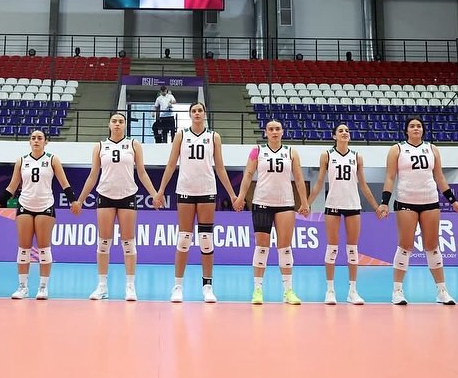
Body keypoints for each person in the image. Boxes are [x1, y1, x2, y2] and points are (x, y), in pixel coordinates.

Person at [72, 113, 162, 301]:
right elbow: (93, 175)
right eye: (114, 121)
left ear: (125, 125)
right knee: (103, 242)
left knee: (128, 242)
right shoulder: (100, 146)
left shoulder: (133, 145)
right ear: (109, 124)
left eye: (121, 121)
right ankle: (102, 286)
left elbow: (142, 173)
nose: (117, 124)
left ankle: (130, 286)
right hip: (105, 195)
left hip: (127, 194)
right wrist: (80, 200)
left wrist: (155, 194)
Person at [156, 102, 238, 303]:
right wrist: (160, 190)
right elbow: (171, 164)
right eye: (194, 111)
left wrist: (232, 194)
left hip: (207, 190)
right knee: (184, 239)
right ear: (190, 114)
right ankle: (178, 286)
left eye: (200, 110)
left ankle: (207, 287)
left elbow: (220, 168)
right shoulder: (181, 135)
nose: (197, 113)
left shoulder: (214, 136)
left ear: (205, 113)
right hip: (185, 189)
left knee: (206, 239)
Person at [381, 117, 458, 305]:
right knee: (405, 246)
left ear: (423, 130)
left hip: (430, 200)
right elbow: (390, 177)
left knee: (432, 246)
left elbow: (440, 177)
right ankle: (397, 291)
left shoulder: (432, 149)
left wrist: (453, 202)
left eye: (419, 126)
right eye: (412, 126)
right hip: (406, 201)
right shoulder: (397, 149)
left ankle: (442, 291)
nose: (416, 128)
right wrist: (384, 202)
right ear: (406, 130)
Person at [306, 123, 387, 305]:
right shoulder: (327, 155)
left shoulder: (356, 156)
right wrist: (307, 203)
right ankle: (330, 290)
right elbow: (319, 182)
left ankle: (352, 291)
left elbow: (363, 185)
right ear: (334, 136)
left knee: (352, 249)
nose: (345, 133)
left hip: (352, 204)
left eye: (347, 131)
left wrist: (376, 207)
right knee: (332, 248)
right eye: (341, 131)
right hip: (333, 204)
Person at [0, 130, 74, 300]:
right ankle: (23, 287)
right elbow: (12, 186)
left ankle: (43, 287)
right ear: (29, 141)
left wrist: (74, 201)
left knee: (44, 248)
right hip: (25, 205)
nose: (36, 140)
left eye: (40, 138)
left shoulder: (52, 159)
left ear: (46, 142)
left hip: (45, 205)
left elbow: (64, 183)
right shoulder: (21, 161)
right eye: (33, 138)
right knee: (24, 248)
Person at [234, 120, 310, 305]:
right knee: (262, 247)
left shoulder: (291, 152)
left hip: (285, 203)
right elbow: (248, 175)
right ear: (265, 132)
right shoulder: (257, 151)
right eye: (271, 129)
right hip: (262, 202)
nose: (274, 131)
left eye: (277, 129)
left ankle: (288, 291)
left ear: (282, 132)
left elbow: (299, 179)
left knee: (285, 247)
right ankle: (257, 290)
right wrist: (241, 197)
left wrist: (305, 202)